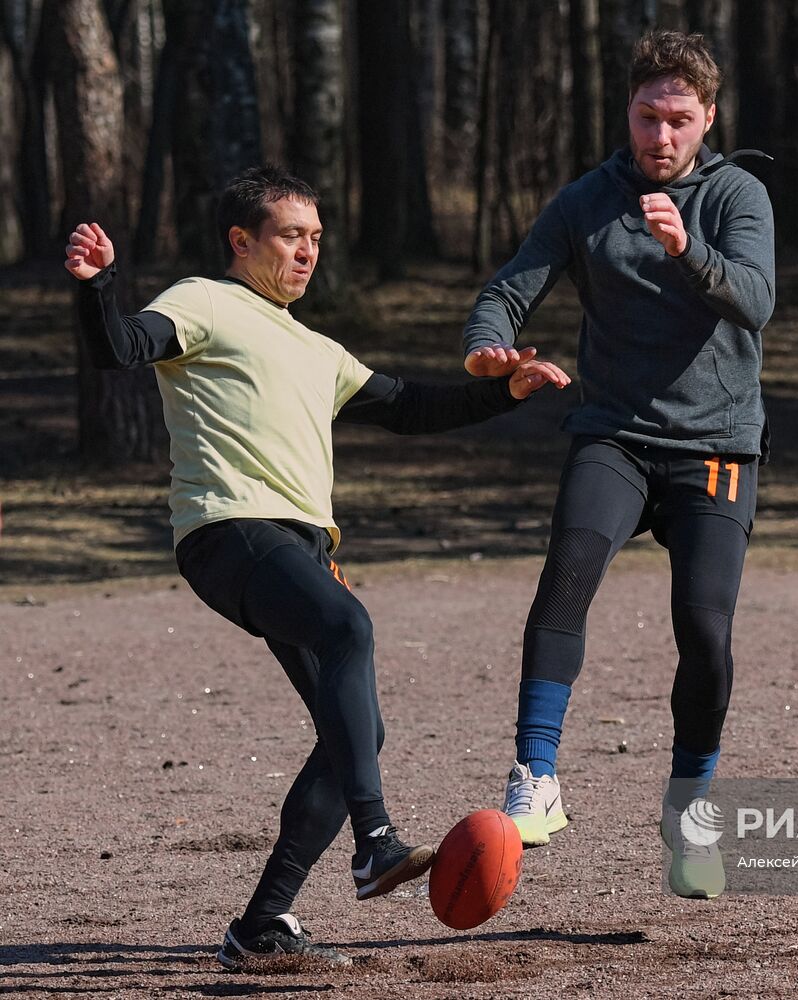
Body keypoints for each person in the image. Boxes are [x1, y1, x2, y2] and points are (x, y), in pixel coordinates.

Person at [65, 166, 569, 969]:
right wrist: (97, 285)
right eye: (291, 237)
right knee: (347, 626)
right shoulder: (201, 301)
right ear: (243, 241)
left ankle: (261, 923)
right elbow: (118, 348)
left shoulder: (315, 346)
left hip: (297, 548)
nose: (308, 253)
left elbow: (408, 407)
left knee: (357, 731)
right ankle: (374, 843)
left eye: (317, 240)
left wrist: (505, 392)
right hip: (228, 532)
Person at [463, 29, 775, 899]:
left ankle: (691, 813)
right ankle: (536, 778)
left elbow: (755, 301)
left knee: (706, 635)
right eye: (648, 117)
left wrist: (687, 251)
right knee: (566, 574)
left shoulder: (738, 196)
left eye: (679, 119)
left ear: (707, 118)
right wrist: (490, 346)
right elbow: (506, 290)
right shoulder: (586, 201)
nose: (661, 136)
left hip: (715, 448)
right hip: (615, 436)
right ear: (627, 113)